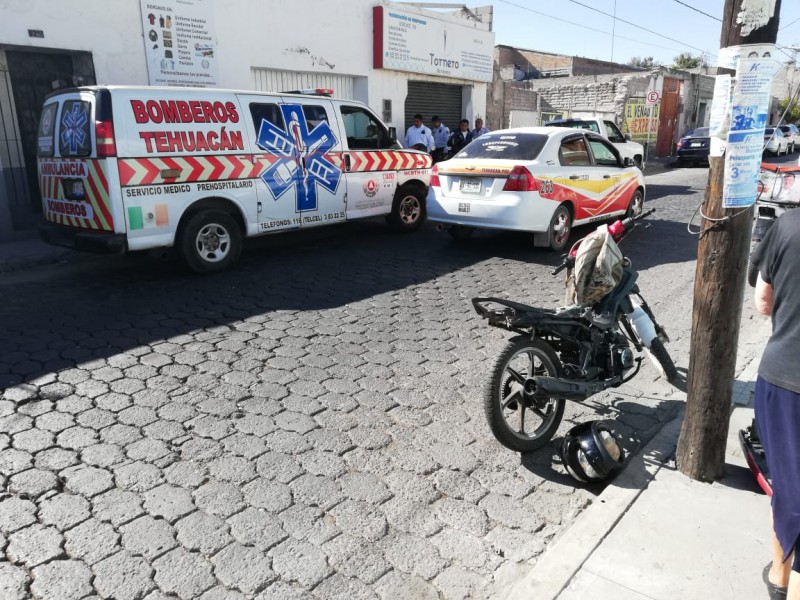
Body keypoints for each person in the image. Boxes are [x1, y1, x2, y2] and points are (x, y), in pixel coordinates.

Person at [751, 209, 800, 600]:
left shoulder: (788, 226)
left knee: (789, 487)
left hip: (785, 380)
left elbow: (763, 301)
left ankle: (783, 579)